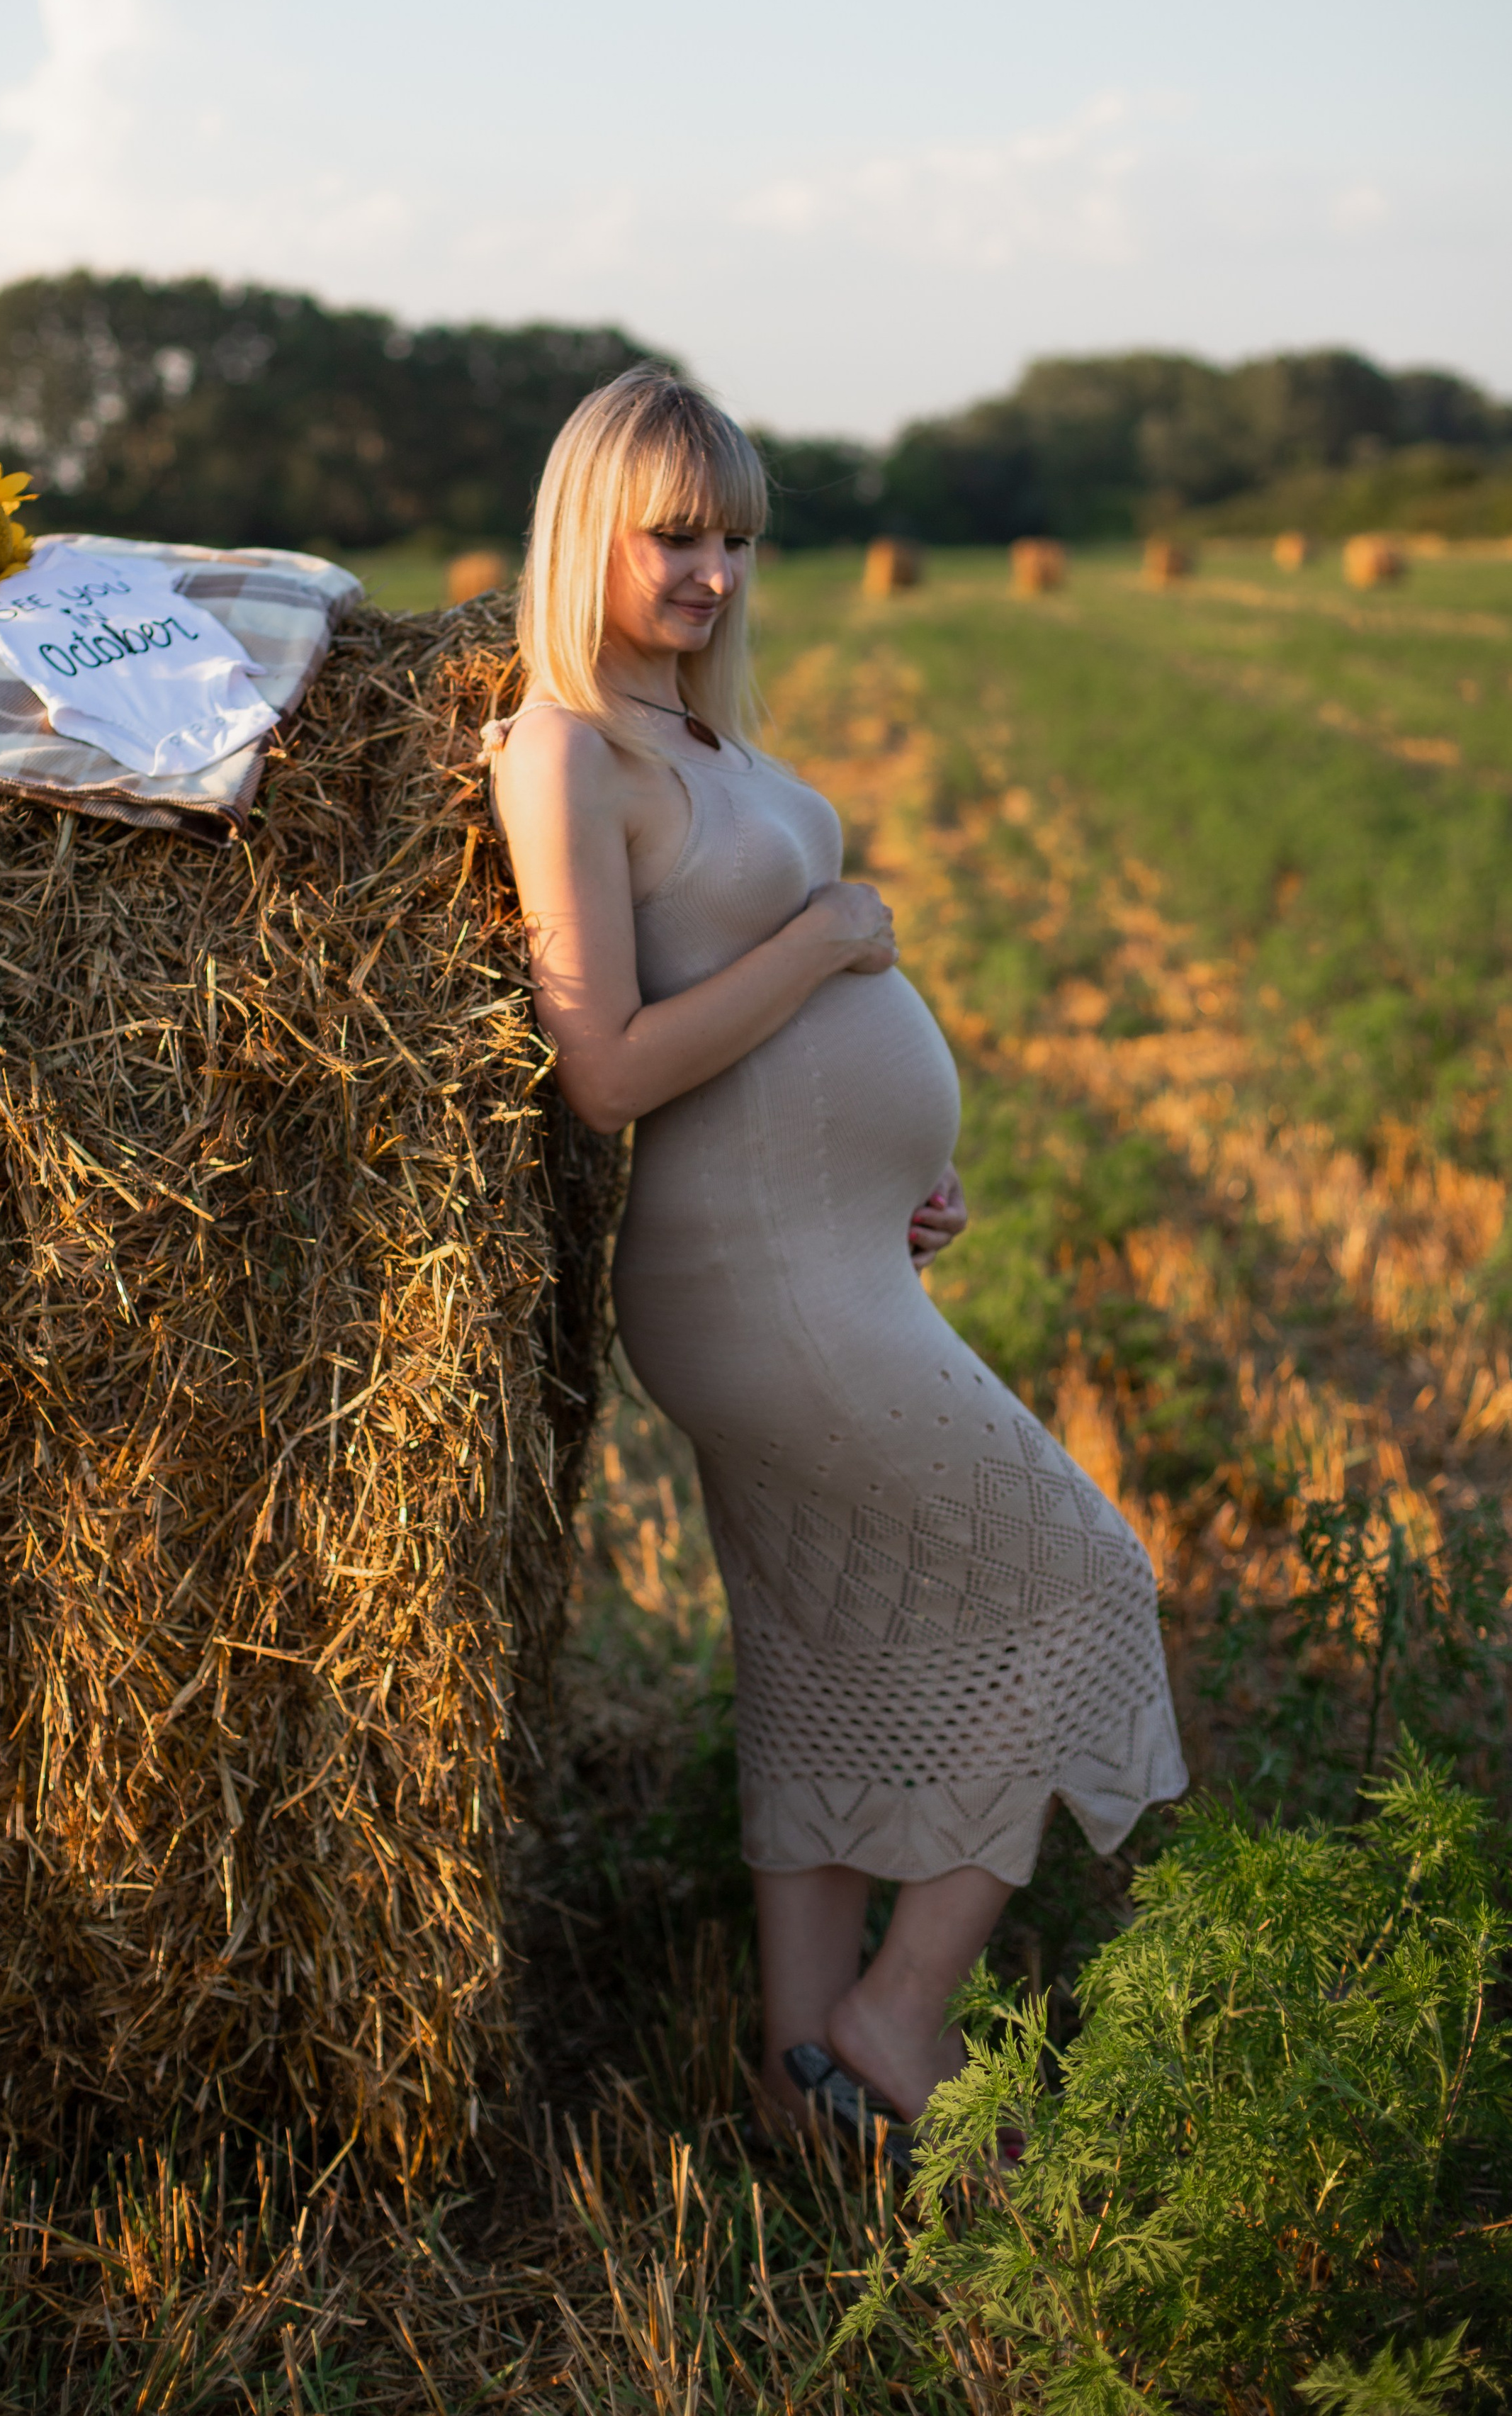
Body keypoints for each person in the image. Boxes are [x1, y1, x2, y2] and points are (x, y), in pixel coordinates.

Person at [488, 366, 1186, 2145]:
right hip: (746, 1291)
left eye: (733, 536)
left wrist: (890, 1172)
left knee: (817, 1649)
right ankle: (892, 2019)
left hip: (822, 1255)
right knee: (1084, 1580)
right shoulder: (566, 750)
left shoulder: (702, 737)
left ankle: (801, 2109)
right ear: (590, 531)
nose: (711, 570)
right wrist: (824, 948)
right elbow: (605, 1069)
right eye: (672, 534)